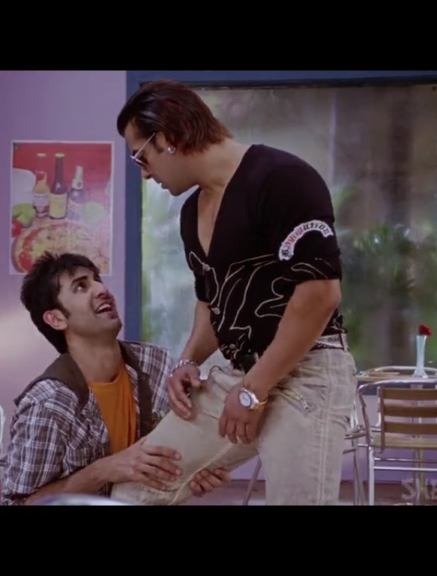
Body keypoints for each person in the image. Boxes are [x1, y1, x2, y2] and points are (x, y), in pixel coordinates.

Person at [110, 79, 357, 505]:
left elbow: (319, 295)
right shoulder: (191, 212)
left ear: (166, 138)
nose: (144, 173)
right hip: (239, 374)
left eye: (140, 156)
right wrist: (189, 360)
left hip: (309, 372)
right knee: (137, 485)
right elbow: (211, 302)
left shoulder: (283, 178)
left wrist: (253, 391)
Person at [0, 252, 229, 505]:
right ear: (56, 319)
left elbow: (177, 450)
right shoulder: (47, 404)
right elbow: (19, 503)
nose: (101, 289)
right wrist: (102, 471)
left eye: (96, 280)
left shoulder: (155, 364)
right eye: (81, 287)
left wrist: (193, 472)